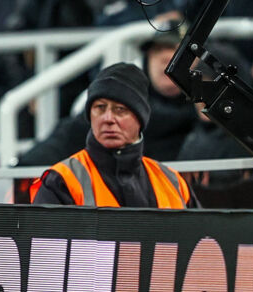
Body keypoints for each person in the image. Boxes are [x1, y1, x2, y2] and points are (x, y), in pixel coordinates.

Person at [30, 63, 194, 208]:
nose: (108, 119)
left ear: (140, 118)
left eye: (120, 110)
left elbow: (203, 241)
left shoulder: (173, 182)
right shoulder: (61, 180)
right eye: (100, 108)